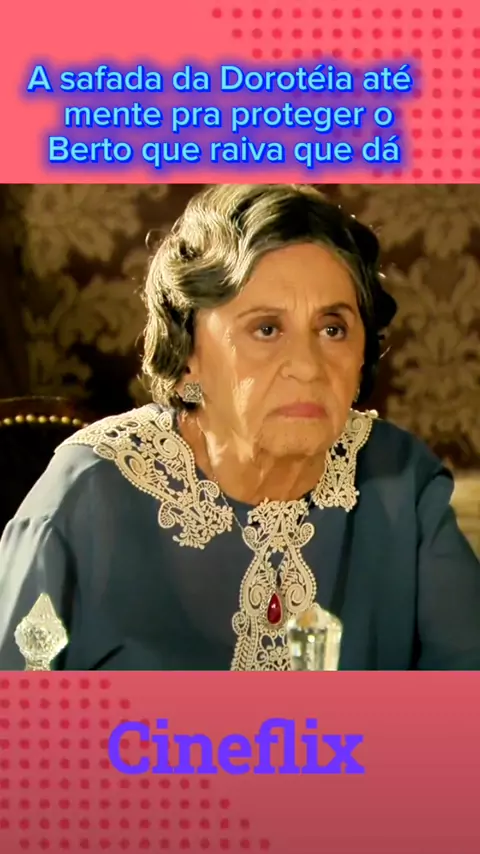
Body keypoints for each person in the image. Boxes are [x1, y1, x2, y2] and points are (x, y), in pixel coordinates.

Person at [1, 183, 479, 672]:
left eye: (332, 329)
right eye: (266, 329)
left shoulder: (402, 481)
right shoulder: (84, 496)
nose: (307, 367)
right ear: (187, 352)